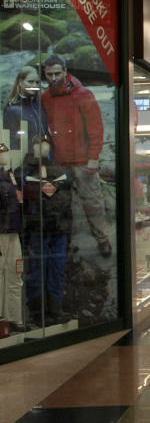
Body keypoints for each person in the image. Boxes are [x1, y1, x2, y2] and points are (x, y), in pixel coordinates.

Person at [40, 55, 111, 257]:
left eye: (57, 73)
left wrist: (93, 158)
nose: (53, 78)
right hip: (60, 161)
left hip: (82, 160)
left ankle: (102, 238)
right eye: (49, 74)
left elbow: (95, 128)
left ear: (65, 71)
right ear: (45, 74)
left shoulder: (83, 94)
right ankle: (67, 242)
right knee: (63, 203)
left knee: (92, 202)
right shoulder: (46, 97)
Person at [17, 134, 71, 327]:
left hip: (57, 230)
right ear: (33, 146)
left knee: (56, 270)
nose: (44, 148)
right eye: (40, 144)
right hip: (36, 230)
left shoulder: (58, 170)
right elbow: (25, 198)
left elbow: (67, 199)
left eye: (47, 144)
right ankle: (37, 312)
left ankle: (54, 310)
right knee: (36, 271)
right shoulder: (22, 171)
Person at [0, 143, 22, 331]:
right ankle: (2, 319)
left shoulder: (10, 176)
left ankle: (13, 317)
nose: (4, 155)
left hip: (13, 231)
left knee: (15, 273)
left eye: (5, 152)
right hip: (1, 233)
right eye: (1, 152)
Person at [4, 66, 47, 151]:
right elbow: (9, 141)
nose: (34, 85)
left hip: (45, 158)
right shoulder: (12, 110)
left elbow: (45, 133)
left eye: (37, 82)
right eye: (30, 82)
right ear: (20, 82)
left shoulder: (39, 104)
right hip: (26, 160)